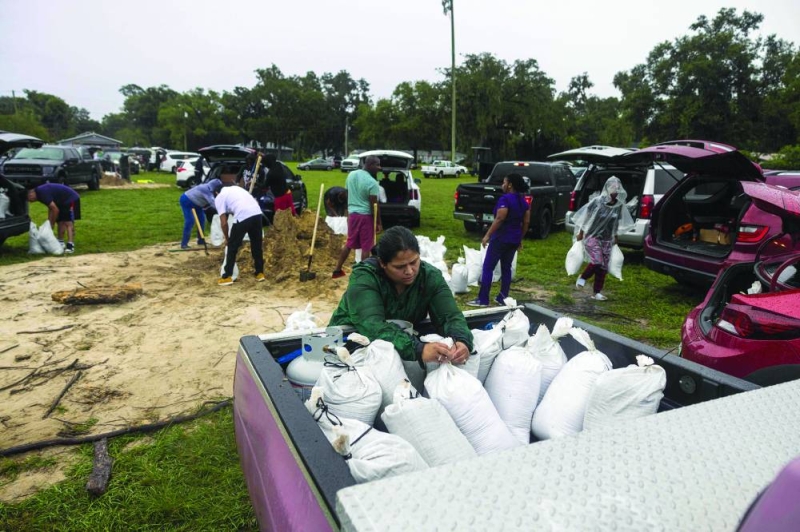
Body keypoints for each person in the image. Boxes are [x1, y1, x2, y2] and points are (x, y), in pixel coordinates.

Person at [329, 226, 473, 367]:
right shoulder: (365, 278)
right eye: (400, 267)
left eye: (414, 262)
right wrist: (418, 349)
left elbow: (450, 316)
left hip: (399, 344)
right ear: (382, 263)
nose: (409, 271)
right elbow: (373, 325)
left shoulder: (429, 277)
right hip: (349, 345)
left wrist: (461, 340)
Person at [467, 173, 531, 307]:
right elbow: (526, 222)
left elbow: (500, 218)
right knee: (506, 269)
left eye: (504, 182)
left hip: (500, 238)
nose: (502, 185)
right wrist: (519, 238)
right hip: (513, 239)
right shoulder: (523, 201)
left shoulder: (505, 199)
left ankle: (483, 299)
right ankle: (503, 297)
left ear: (510, 185)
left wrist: (487, 235)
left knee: (488, 267)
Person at [572, 175, 634, 301]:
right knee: (597, 261)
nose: (615, 191)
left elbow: (616, 222)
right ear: (608, 187)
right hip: (592, 235)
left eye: (617, 188)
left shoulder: (618, 205)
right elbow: (586, 217)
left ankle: (596, 292)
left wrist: (615, 236)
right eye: (613, 187)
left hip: (607, 238)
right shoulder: (597, 201)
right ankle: (583, 277)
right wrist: (581, 232)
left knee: (604, 267)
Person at [332, 155, 382, 279]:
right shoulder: (372, 183)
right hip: (365, 217)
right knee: (367, 246)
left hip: (353, 215)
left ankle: (337, 270)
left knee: (349, 243)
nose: (379, 168)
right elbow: (374, 205)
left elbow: (348, 194)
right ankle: (363, 274)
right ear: (370, 165)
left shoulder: (351, 175)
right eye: (377, 165)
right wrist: (378, 222)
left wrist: (348, 212)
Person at [214, 184, 265, 286]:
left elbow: (223, 222)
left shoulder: (219, 196)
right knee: (256, 245)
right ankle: (260, 273)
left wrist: (227, 239)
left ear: (216, 193)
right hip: (257, 214)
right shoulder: (236, 189)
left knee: (232, 247)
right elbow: (235, 207)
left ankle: (227, 276)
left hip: (243, 215)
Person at [27, 183, 81, 253]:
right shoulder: (39, 195)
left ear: (31, 194)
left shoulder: (41, 193)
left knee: (68, 222)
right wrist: (49, 223)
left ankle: (70, 245)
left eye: (30, 199)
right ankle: (60, 242)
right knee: (60, 221)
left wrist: (51, 225)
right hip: (61, 201)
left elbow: (55, 210)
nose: (31, 201)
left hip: (70, 199)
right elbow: (51, 208)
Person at [179, 178, 224, 249]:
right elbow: (213, 203)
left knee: (202, 220)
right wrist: (224, 211)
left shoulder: (211, 190)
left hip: (198, 204)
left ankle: (201, 240)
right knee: (190, 221)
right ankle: (184, 244)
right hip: (187, 201)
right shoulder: (205, 189)